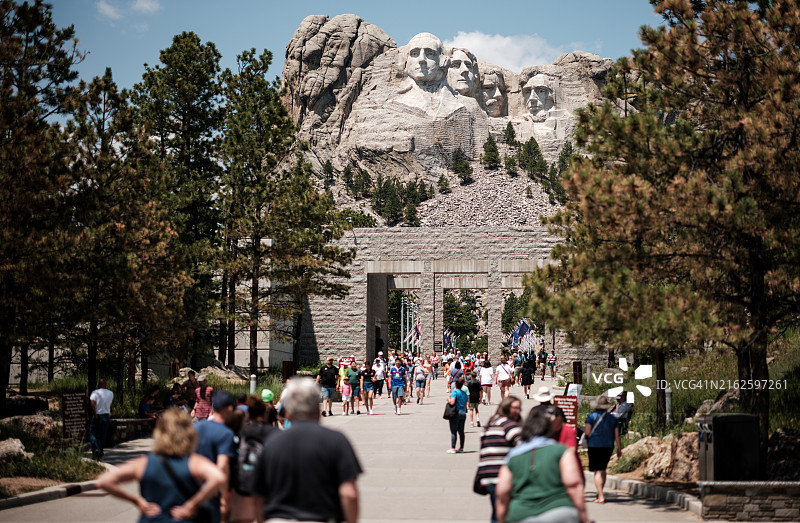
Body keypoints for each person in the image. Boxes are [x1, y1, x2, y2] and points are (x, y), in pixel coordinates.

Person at [252, 378, 361, 523]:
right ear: (317, 409)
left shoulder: (271, 443)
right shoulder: (336, 441)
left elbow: (258, 496)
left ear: (288, 413)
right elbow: (349, 494)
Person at [96, 408, 226, 523]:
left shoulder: (144, 463)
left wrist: (136, 501)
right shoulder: (194, 462)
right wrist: (192, 504)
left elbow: (104, 481)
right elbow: (219, 478)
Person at [495, 405, 590, 523]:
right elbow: (574, 485)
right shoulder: (561, 451)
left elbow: (502, 493)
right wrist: (584, 517)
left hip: (521, 515)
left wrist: (502, 518)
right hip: (559, 512)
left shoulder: (512, 456)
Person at [476, 396, 523, 523]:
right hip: (503, 476)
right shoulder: (510, 426)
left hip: (487, 475)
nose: (519, 411)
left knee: (497, 512)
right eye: (516, 408)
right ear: (507, 408)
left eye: (520, 408)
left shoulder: (490, 424)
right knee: (505, 514)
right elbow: (524, 450)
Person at [230, 396, 276, 523]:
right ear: (264, 413)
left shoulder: (241, 432)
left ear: (248, 414)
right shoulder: (275, 434)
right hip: (267, 485)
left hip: (243, 483)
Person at [194, 390, 236, 521]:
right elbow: (222, 466)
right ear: (229, 409)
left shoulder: (195, 428)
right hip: (211, 492)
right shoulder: (226, 433)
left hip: (191, 488)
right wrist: (224, 497)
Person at [584, 394, 622, 504]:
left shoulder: (591, 416)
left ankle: (600, 495)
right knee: (603, 469)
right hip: (608, 446)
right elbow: (617, 435)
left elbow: (587, 431)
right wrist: (619, 448)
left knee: (597, 471)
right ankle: (600, 490)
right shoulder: (612, 418)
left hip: (594, 445)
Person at [89, 378, 113, 460]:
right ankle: (100, 452)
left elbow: (92, 404)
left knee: (92, 432)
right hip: (106, 415)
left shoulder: (95, 393)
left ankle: (95, 449)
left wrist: (95, 414)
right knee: (103, 435)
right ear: (105, 384)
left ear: (98, 385)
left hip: (98, 415)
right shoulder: (110, 393)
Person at [446, 375, 468, 453]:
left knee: (454, 431)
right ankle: (461, 447)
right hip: (463, 412)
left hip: (456, 413)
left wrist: (448, 399)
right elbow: (466, 405)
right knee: (461, 431)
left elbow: (452, 402)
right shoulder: (464, 393)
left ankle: (453, 448)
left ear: (455, 385)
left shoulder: (454, 392)